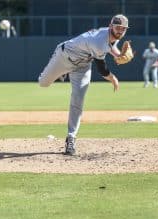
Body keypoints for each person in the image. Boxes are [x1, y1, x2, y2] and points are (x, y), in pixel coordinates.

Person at [38, 14, 130, 155]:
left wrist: (118, 55)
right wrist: (113, 79)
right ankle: (62, 73)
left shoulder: (112, 37)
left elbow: (110, 47)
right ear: (111, 26)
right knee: (43, 83)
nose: (120, 31)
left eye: (123, 29)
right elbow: (102, 69)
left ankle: (71, 137)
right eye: (118, 27)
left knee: (78, 98)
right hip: (64, 57)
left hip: (83, 66)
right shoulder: (99, 40)